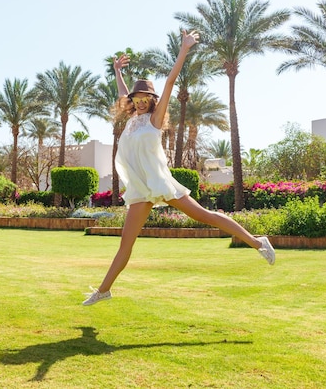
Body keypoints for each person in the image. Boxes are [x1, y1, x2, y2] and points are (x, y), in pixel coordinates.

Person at [83, 30, 275, 306]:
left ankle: (258, 242)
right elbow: (122, 93)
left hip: (160, 182)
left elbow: (171, 81)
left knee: (205, 216)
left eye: (145, 97)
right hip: (141, 188)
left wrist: (184, 49)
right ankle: (103, 290)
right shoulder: (131, 120)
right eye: (136, 97)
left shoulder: (154, 120)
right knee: (126, 243)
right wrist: (117, 72)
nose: (139, 100)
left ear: (151, 100)